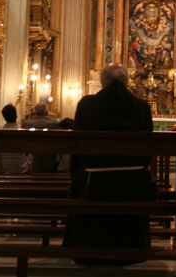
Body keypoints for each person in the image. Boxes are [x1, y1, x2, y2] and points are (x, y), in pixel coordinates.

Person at [62, 63, 157, 266]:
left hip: (93, 182)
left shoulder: (86, 105)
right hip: (132, 184)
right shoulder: (141, 107)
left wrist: (77, 177)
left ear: (102, 81)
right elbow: (148, 150)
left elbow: (76, 146)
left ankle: (88, 251)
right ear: (127, 81)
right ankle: (133, 252)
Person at [0, 105, 33, 175]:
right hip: (21, 168)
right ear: (16, 116)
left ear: (4, 117)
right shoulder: (23, 132)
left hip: (2, 167)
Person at [22, 102, 59, 172]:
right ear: (47, 112)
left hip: (31, 162)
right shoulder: (54, 124)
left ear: (34, 112)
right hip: (49, 160)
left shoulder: (25, 123)